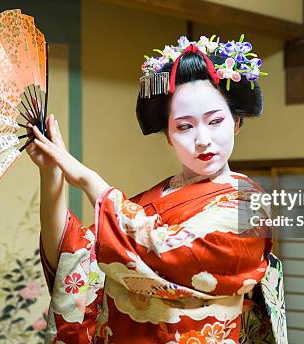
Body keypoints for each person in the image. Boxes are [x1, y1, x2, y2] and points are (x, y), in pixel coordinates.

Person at [26, 36, 287, 343]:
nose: (202, 139)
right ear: (167, 134)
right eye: (184, 126)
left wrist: (87, 180)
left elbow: (164, 252)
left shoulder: (247, 205)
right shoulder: (152, 200)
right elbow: (77, 256)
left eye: (215, 121)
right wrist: (51, 171)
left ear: (237, 122)